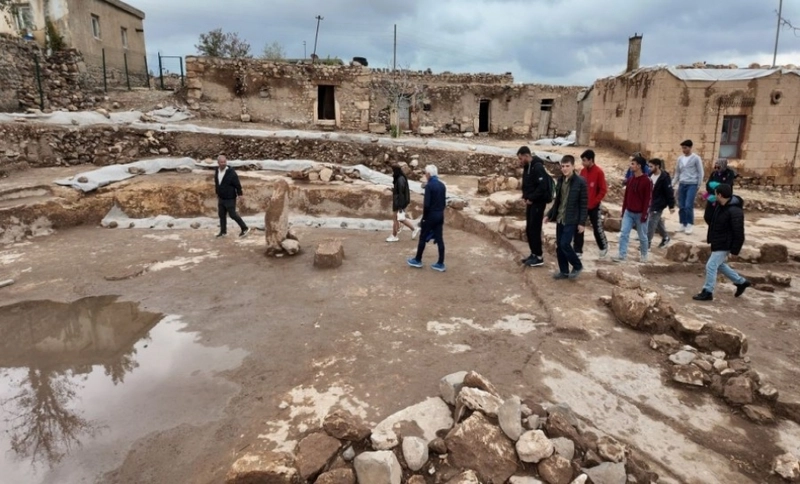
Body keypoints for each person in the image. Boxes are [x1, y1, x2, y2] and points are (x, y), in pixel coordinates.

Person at [693, 183, 750, 301]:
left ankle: (707, 291)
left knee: (711, 265)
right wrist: (709, 202)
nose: (714, 195)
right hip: (718, 240)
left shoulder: (735, 211)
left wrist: (735, 250)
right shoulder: (721, 205)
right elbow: (709, 219)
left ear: (719, 195)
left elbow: (739, 232)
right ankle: (741, 282)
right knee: (719, 265)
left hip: (725, 243)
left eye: (715, 193)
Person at [544, 155, 587, 279]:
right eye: (563, 166)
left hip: (572, 219)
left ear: (573, 166)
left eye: (567, 166)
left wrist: (582, 223)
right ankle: (564, 271)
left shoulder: (580, 182)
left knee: (565, 244)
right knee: (559, 246)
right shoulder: (561, 181)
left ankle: (577, 265)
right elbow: (558, 202)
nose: (564, 169)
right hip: (560, 218)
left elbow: (583, 204)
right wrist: (548, 215)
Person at [613, 154, 652, 263]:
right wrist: (623, 210)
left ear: (639, 166)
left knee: (642, 236)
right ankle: (622, 255)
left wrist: (645, 214)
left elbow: (648, 199)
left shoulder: (647, 181)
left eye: (633, 164)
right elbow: (626, 197)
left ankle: (644, 255)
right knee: (624, 233)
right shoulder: (630, 180)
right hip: (629, 212)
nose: (631, 166)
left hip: (640, 213)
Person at [517, 146, 552, 267]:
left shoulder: (538, 167)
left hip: (538, 203)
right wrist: (525, 197)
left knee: (535, 229)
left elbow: (542, 187)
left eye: (521, 158)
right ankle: (533, 253)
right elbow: (527, 184)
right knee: (529, 229)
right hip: (530, 202)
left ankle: (539, 256)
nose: (520, 161)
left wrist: (531, 198)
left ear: (527, 156)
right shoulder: (527, 167)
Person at [407, 165, 446, 272]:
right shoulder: (442, 185)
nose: (425, 175)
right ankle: (440, 263)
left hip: (431, 216)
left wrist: (424, 218)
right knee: (440, 239)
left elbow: (427, 205)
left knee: (423, 237)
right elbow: (443, 203)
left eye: (425, 173)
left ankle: (418, 260)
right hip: (440, 215)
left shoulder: (429, 186)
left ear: (428, 174)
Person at [573, 149, 609, 258]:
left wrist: (594, 201)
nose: (582, 163)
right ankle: (578, 250)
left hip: (594, 206)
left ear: (590, 160)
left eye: (584, 160)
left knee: (597, 228)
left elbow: (603, 190)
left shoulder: (599, 172)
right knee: (579, 227)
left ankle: (603, 246)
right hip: (582, 205)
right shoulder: (583, 171)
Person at [214, 155, 250, 238]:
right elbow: (217, 183)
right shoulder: (217, 171)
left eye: (224, 162)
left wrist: (240, 194)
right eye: (221, 162)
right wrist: (217, 193)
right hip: (221, 197)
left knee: (232, 214)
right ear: (218, 163)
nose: (223, 164)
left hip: (230, 197)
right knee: (221, 215)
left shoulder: (231, 172)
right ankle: (223, 232)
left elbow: (237, 184)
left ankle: (244, 228)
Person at [673, 139, 704, 234]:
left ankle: (690, 224)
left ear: (690, 147)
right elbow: (677, 172)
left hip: (692, 184)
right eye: (682, 148)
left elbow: (700, 171)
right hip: (682, 183)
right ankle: (683, 223)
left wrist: (699, 184)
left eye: (685, 148)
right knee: (681, 205)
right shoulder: (680, 159)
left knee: (688, 205)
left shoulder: (696, 158)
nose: (683, 150)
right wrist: (673, 183)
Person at [647, 158, 676, 249]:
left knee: (651, 222)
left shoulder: (664, 178)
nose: (649, 168)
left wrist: (671, 205)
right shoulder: (650, 175)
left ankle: (646, 243)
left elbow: (669, 192)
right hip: (650, 202)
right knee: (657, 221)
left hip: (659, 203)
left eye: (651, 166)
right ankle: (665, 237)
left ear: (657, 166)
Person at [387, 165, 419, 242]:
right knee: (399, 219)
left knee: (397, 219)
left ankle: (394, 235)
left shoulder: (400, 179)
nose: (392, 173)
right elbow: (399, 191)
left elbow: (401, 193)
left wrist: (401, 206)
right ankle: (412, 229)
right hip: (398, 202)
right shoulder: (400, 178)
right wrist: (393, 190)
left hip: (399, 202)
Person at [702, 158, 737, 223]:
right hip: (713, 196)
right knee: (707, 216)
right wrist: (713, 192)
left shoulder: (729, 174)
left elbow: (727, 186)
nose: (716, 169)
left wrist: (716, 187)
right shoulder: (714, 174)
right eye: (715, 167)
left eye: (718, 167)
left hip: (722, 198)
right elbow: (708, 185)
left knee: (719, 217)